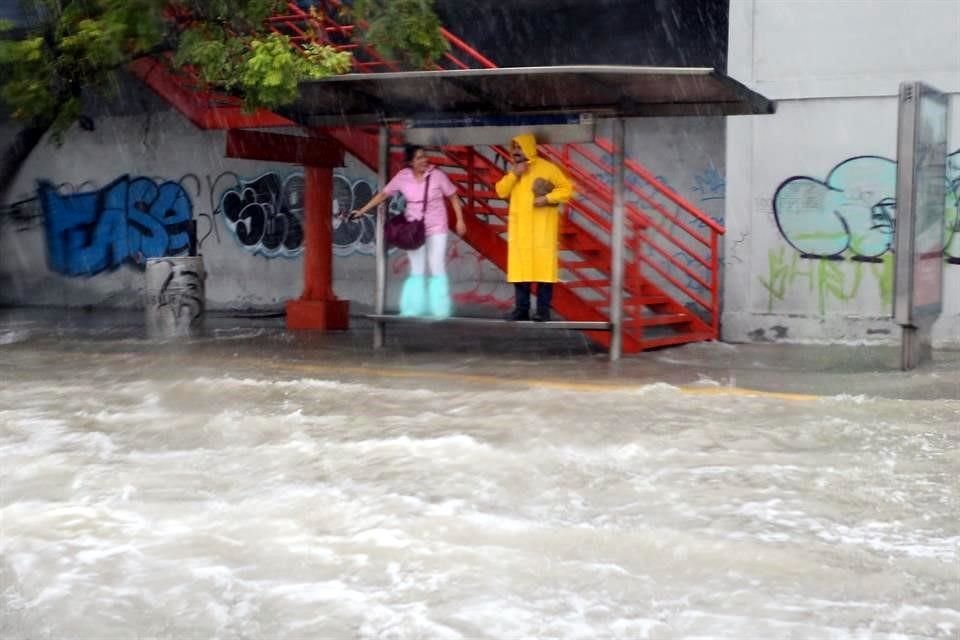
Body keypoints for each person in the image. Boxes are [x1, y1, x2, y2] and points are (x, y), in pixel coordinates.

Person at [351, 145, 467, 318]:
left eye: (425, 156)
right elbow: (383, 194)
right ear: (411, 162)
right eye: (419, 157)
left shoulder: (437, 176)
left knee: (436, 265)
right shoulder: (403, 177)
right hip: (413, 229)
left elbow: (453, 196)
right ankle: (413, 308)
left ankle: (440, 309)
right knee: (417, 268)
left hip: (437, 227)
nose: (424, 160)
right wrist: (362, 210)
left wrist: (460, 220)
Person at [494, 133, 574, 321]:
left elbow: (566, 189)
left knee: (543, 272)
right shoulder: (514, 172)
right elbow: (500, 191)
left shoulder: (548, 169)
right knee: (520, 272)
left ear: (529, 148)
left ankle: (543, 311)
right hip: (520, 231)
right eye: (514, 148)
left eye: (520, 148)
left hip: (542, 231)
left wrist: (547, 198)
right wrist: (515, 173)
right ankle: (522, 309)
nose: (516, 152)